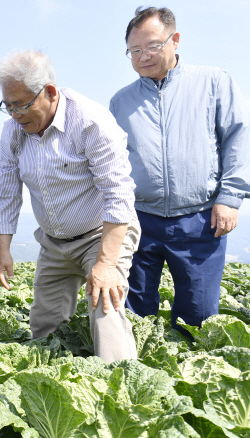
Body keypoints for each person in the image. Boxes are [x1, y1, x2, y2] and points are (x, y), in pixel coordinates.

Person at [109, 7, 249, 336]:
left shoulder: (214, 82)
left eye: (153, 46)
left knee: (198, 317)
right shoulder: (120, 102)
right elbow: (111, 163)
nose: (143, 56)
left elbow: (237, 139)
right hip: (139, 219)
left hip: (200, 219)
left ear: (175, 40)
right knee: (134, 313)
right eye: (135, 50)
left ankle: (187, 381)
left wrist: (230, 197)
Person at [0, 50, 140, 362]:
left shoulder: (90, 121)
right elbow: (7, 192)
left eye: (21, 104)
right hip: (54, 243)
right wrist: (3, 249)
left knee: (106, 307)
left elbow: (119, 195)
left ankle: (120, 392)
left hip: (101, 234)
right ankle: (51, 386)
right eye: (8, 106)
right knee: (44, 322)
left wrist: (105, 264)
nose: (15, 114)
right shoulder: (12, 132)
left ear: (49, 92)